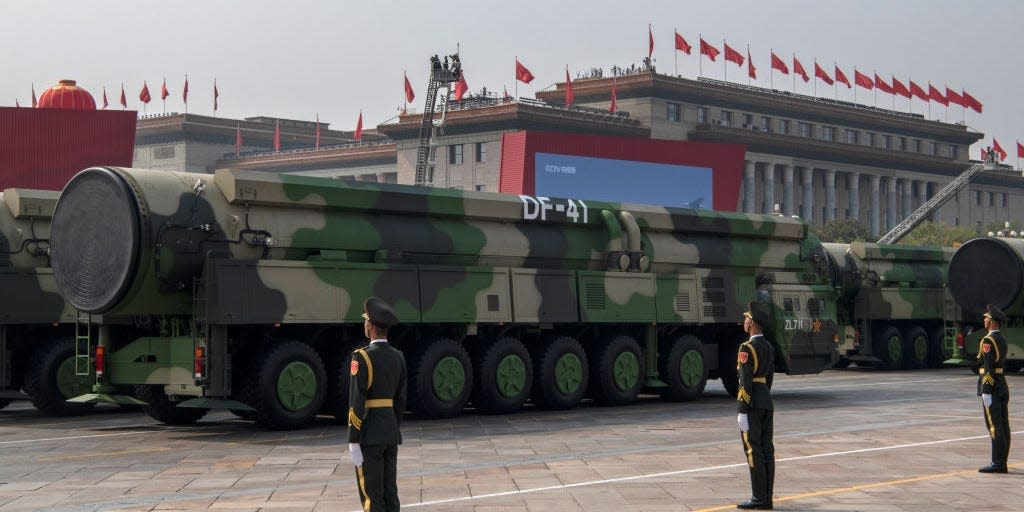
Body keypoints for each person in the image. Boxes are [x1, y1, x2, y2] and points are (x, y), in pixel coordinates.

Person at [348, 297, 407, 511]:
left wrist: (353, 439)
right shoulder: (399, 357)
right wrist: (392, 425)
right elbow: (400, 401)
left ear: (371, 326)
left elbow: (357, 401)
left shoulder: (362, 357)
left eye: (366, 321)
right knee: (390, 494)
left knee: (372, 497)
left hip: (370, 434)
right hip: (390, 433)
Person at [736, 301, 776, 510]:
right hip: (766, 401)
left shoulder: (746, 348)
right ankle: (767, 497)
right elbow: (768, 378)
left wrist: (742, 409)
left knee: (753, 450)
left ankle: (758, 497)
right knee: (767, 450)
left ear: (751, 322)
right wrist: (763, 396)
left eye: (745, 318)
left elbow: (745, 381)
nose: (744, 321)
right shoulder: (769, 346)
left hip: (752, 405)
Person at [977, 304, 1011, 473]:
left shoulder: (988, 341)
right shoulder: (1001, 339)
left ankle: (997, 463)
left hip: (993, 386)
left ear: (991, 321)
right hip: (1002, 384)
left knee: (994, 426)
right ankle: (1002, 461)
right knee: (1003, 425)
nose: (984, 320)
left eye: (986, 318)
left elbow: (989, 368)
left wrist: (986, 390)